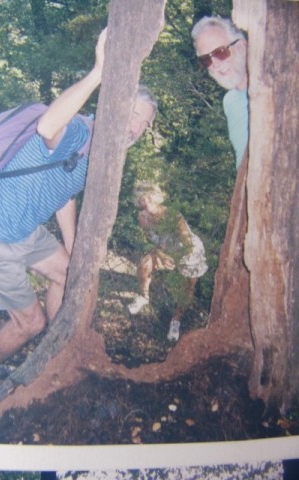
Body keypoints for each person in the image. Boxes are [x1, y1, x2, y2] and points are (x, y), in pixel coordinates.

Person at [0, 28, 158, 369]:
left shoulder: (100, 155)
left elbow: (64, 195)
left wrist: (74, 246)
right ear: (114, 104)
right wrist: (98, 73)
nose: (137, 127)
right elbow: (48, 126)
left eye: (145, 123)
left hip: (24, 231)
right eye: (134, 114)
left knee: (68, 274)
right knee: (29, 323)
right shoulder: (83, 130)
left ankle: (54, 357)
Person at [127, 182, 208, 341]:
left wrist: (174, 259)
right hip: (165, 252)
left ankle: (176, 321)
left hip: (189, 252)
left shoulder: (172, 215)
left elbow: (187, 243)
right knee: (145, 263)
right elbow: (150, 242)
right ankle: (143, 297)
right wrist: (159, 254)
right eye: (141, 200)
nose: (145, 203)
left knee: (187, 289)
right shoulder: (142, 218)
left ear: (155, 197)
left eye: (148, 198)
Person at [191, 16, 248, 169]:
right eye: (206, 60)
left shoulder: (280, 88)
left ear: (242, 47)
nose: (215, 64)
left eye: (220, 52)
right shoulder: (230, 102)